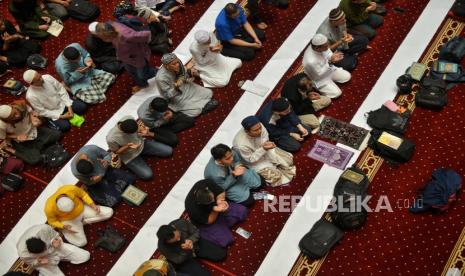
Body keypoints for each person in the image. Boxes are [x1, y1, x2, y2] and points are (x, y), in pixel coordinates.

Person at [93, 21, 157, 93]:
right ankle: (142, 85)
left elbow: (146, 35)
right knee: (131, 72)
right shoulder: (111, 26)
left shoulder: (127, 36)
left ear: (110, 34)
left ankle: (156, 72)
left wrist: (143, 47)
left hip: (137, 57)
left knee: (142, 74)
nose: (103, 40)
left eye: (103, 38)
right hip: (125, 57)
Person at [233, 116, 296, 187]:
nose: (260, 131)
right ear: (247, 131)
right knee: (276, 177)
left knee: (289, 161)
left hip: (266, 150)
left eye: (260, 128)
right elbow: (250, 159)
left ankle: (276, 165)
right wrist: (263, 148)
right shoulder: (240, 145)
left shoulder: (259, 125)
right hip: (255, 162)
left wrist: (266, 144)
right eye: (256, 130)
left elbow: (265, 136)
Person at [185, 179, 248, 248]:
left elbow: (221, 192)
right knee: (227, 240)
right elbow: (209, 220)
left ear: (207, 188)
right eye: (210, 202)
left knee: (243, 211)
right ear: (199, 203)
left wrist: (220, 201)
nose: (213, 201)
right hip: (207, 220)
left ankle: (223, 227)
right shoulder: (191, 206)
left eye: (212, 198)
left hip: (217, 210)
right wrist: (216, 210)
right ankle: (208, 233)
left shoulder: (206, 182)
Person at [44, 185, 114, 247]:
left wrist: (93, 205)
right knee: (82, 242)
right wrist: (63, 226)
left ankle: (84, 222)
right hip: (69, 221)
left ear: (70, 198)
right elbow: (52, 222)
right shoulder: (49, 208)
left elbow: (83, 195)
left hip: (82, 210)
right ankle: (76, 226)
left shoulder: (69, 189)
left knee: (109, 212)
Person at [106, 116, 173, 180]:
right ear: (124, 133)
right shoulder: (110, 138)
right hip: (129, 156)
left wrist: (143, 130)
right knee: (148, 175)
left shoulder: (128, 118)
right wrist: (128, 146)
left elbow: (137, 127)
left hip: (142, 144)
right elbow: (116, 152)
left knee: (169, 151)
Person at [71, 145, 135, 207]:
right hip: (96, 182)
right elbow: (87, 182)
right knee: (113, 201)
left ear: (89, 159)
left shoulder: (92, 149)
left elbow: (108, 155)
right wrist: (94, 181)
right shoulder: (75, 172)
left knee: (130, 179)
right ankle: (89, 191)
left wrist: (106, 160)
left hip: (106, 169)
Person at [156, 53, 218, 117]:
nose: (177, 65)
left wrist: (190, 72)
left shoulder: (178, 63)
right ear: (167, 66)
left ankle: (202, 105)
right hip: (175, 95)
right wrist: (176, 87)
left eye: (177, 62)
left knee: (208, 93)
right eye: (174, 64)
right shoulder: (161, 78)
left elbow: (184, 74)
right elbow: (167, 95)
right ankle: (201, 108)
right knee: (195, 111)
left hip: (185, 85)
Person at [157, 219, 227, 276]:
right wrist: (185, 250)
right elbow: (178, 260)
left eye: (178, 236)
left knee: (221, 254)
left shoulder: (180, 223)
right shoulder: (162, 247)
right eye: (175, 240)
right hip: (185, 259)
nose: (179, 239)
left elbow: (196, 232)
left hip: (196, 245)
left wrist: (191, 240)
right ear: (167, 242)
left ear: (174, 228)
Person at [16, 224, 90, 276]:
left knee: (85, 256)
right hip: (43, 261)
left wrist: (54, 241)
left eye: (44, 248)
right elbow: (32, 264)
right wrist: (38, 261)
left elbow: (56, 236)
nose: (45, 251)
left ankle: (61, 259)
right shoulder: (23, 254)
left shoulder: (44, 229)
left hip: (55, 248)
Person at [316, 7, 369, 71]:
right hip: (333, 53)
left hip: (343, 44)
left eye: (344, 19)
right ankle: (351, 55)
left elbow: (344, 30)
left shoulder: (340, 20)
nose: (345, 21)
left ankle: (349, 55)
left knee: (364, 40)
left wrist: (347, 36)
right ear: (333, 22)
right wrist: (341, 41)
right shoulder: (323, 33)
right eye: (342, 20)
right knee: (351, 64)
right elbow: (326, 50)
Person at [303, 33, 351, 98]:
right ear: (317, 48)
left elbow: (327, 52)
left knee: (347, 76)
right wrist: (330, 61)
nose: (327, 47)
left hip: (329, 69)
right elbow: (319, 74)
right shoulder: (310, 61)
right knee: (337, 94)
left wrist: (332, 56)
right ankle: (318, 90)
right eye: (325, 46)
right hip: (319, 79)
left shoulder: (318, 46)